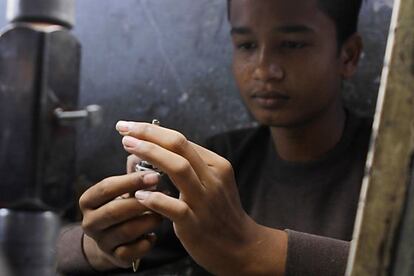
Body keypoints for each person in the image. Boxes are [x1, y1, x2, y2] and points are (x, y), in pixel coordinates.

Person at [57, 0, 372, 275]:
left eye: (291, 44)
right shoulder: (222, 162)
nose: (264, 69)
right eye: (247, 46)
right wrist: (107, 242)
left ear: (348, 56)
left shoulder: (393, 167)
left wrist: (253, 250)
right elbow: (50, 251)